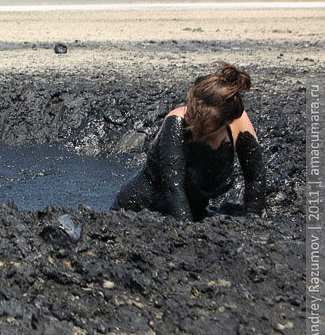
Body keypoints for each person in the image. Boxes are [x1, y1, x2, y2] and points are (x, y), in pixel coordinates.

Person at [113, 62, 266, 221]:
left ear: (226, 122)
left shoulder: (237, 123)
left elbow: (255, 178)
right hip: (136, 212)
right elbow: (174, 189)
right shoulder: (176, 122)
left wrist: (253, 223)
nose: (191, 129)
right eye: (190, 117)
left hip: (193, 212)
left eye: (201, 129)